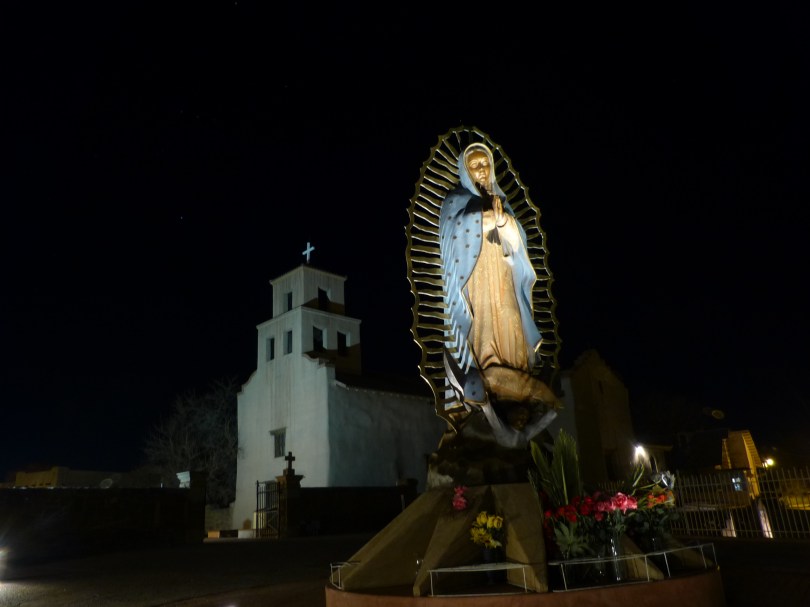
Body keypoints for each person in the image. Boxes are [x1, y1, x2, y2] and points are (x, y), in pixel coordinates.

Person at [439, 142, 560, 447]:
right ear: (464, 170)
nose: (481, 170)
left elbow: (519, 244)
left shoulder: (500, 202)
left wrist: (504, 221)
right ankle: (487, 378)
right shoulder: (456, 199)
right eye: (474, 165)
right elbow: (450, 237)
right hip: (475, 279)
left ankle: (517, 375)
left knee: (510, 317)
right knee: (485, 325)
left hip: (503, 275)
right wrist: (482, 219)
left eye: (484, 164)